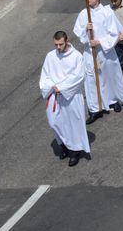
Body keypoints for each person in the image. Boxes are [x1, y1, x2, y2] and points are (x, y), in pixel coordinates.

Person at [73, 0, 123, 124]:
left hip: (105, 51)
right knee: (91, 80)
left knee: (109, 76)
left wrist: (99, 41)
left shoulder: (107, 13)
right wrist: (86, 30)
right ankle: (95, 109)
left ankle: (113, 100)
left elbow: (114, 33)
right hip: (90, 53)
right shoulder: (84, 14)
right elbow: (78, 33)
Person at [39, 31, 90, 167]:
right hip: (54, 95)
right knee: (54, 122)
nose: (58, 47)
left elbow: (78, 76)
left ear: (66, 41)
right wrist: (51, 86)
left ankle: (74, 151)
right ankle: (64, 144)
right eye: (55, 44)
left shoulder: (76, 57)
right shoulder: (50, 56)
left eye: (60, 44)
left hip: (70, 96)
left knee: (72, 123)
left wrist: (62, 87)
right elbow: (45, 75)